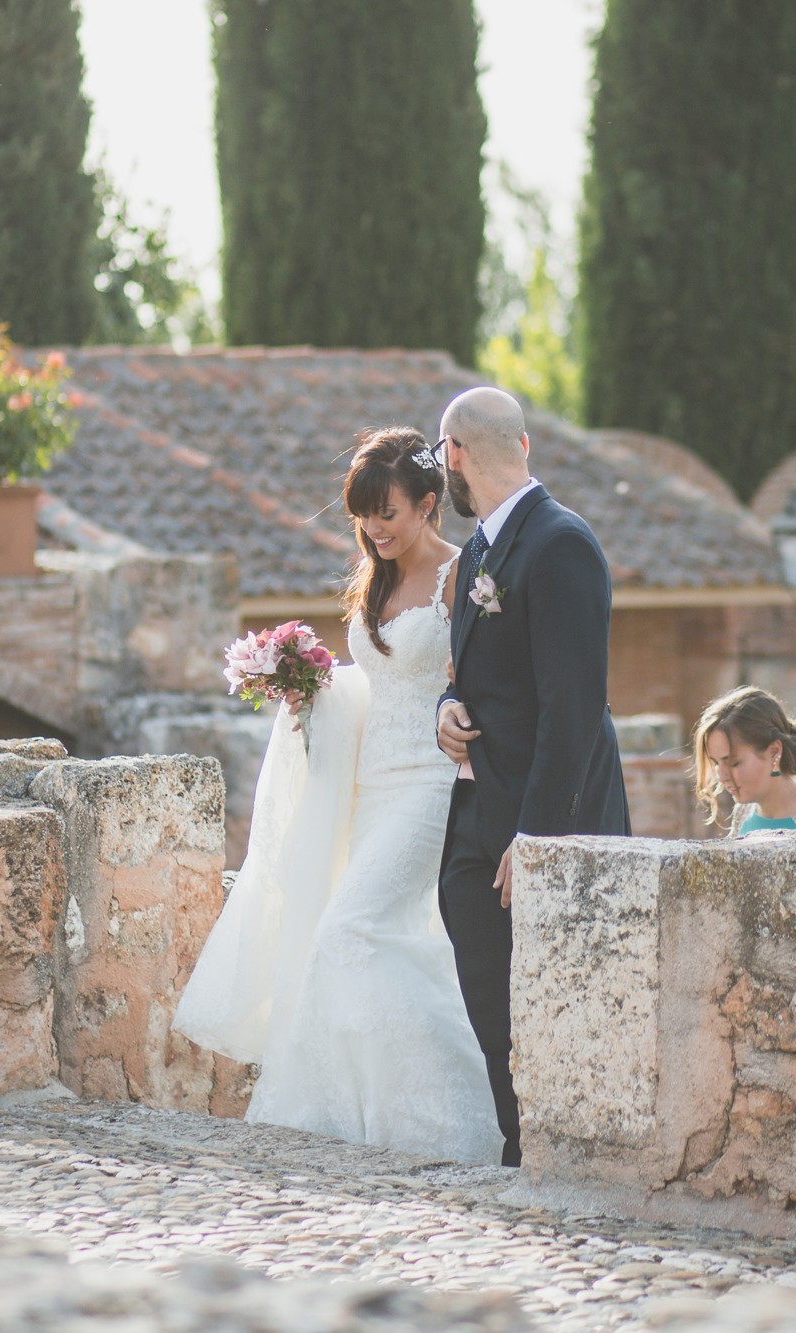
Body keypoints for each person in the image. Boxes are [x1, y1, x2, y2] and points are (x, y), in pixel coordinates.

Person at [174, 427, 503, 1165]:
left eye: (387, 512)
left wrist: (463, 718)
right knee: (381, 942)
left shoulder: (465, 578)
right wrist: (306, 686)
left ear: (427, 504)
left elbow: (483, 681)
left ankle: (458, 1115)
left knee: (347, 932)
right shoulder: (374, 578)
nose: (376, 528)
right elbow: (375, 682)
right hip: (367, 783)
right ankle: (360, 1116)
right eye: (363, 514)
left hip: (429, 782)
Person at [434, 386, 630, 1168]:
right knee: (492, 1001)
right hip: (478, 812)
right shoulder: (478, 553)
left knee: (565, 1003)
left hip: (550, 819)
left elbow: (574, 706)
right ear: (521, 446)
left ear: (453, 455)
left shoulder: (560, 544)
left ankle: (561, 1160)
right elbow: (470, 672)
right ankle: (523, 1149)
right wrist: (447, 707)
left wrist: (538, 837)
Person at [692, 686, 796, 836]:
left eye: (734, 763)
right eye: (716, 763)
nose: (722, 776)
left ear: (775, 752)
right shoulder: (743, 813)